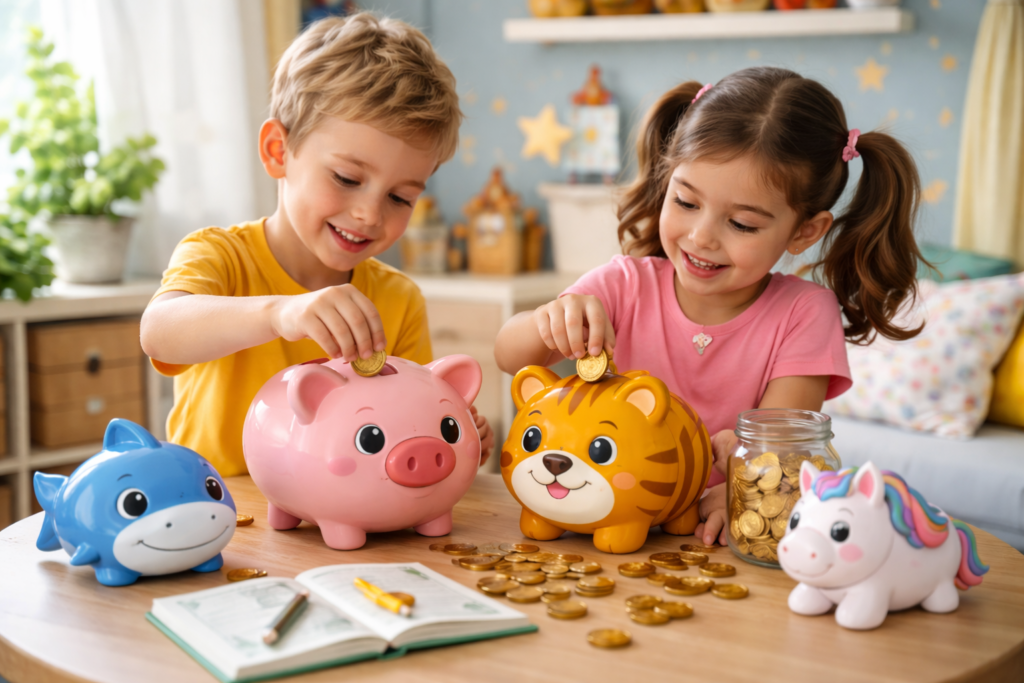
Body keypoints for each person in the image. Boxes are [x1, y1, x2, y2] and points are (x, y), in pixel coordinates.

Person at [494, 66, 925, 545]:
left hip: (710, 537)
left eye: (742, 224)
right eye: (685, 201)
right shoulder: (622, 284)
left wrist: (739, 497)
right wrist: (548, 320)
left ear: (805, 231)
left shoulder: (804, 314)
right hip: (603, 514)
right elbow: (508, 356)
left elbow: (780, 452)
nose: (701, 237)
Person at [141, 13, 494, 477]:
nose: (370, 214)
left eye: (400, 198)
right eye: (346, 178)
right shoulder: (219, 256)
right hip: (214, 507)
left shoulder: (399, 299)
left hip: (338, 512)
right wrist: (280, 313)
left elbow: (410, 419)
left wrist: (451, 430)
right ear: (278, 151)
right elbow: (159, 332)